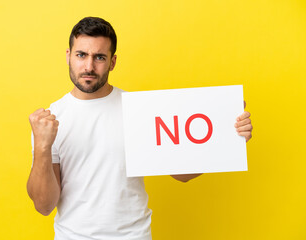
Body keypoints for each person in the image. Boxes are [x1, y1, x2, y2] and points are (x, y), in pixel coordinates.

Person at [27, 17, 253, 240]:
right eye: (81, 55)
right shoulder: (50, 119)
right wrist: (42, 146)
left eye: (99, 57)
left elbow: (182, 174)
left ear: (112, 62)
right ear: (68, 56)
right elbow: (44, 205)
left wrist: (227, 138)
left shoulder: (140, 110)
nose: (89, 66)